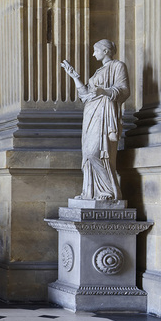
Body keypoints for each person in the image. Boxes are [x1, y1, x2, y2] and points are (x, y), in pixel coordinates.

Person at [62, 39, 130, 202]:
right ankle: (90, 193)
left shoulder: (118, 66)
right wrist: (74, 77)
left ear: (106, 51)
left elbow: (124, 91)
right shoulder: (99, 70)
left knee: (96, 152)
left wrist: (103, 91)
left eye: (95, 51)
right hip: (91, 113)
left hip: (104, 113)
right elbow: (86, 95)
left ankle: (108, 191)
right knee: (87, 154)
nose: (93, 54)